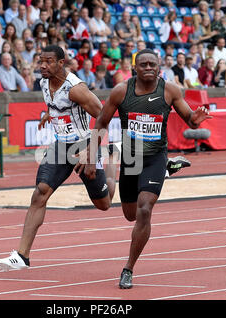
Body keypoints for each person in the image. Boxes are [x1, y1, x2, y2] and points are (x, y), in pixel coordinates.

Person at [74, 48, 209, 289]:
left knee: (145, 208)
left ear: (159, 68)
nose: (148, 68)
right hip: (131, 160)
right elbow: (102, 122)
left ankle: (128, 268)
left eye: (152, 65)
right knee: (130, 214)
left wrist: (195, 119)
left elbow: (189, 117)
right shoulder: (121, 91)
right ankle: (164, 169)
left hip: (155, 157)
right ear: (134, 68)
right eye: (143, 64)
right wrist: (92, 152)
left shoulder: (169, 90)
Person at [0, 45, 119, 271]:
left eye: (48, 61)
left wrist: (91, 151)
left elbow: (103, 116)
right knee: (40, 192)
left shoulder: (76, 88)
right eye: (41, 61)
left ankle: (111, 164)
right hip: (61, 146)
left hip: (84, 145)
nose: (42, 65)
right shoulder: (44, 82)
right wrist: (48, 115)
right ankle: (22, 255)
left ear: (61, 63)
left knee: (104, 203)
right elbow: (56, 105)